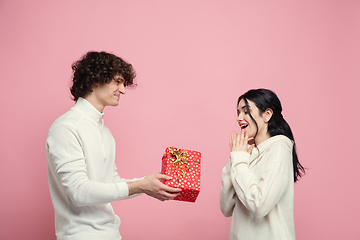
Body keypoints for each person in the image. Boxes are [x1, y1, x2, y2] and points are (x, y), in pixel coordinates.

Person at [46, 51, 181, 240]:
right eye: (117, 82)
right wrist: (141, 185)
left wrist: (150, 184)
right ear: (95, 80)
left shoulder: (105, 132)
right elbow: (78, 192)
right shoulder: (66, 127)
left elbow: (111, 183)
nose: (123, 90)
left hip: (111, 234)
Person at [219, 88, 305, 240]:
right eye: (238, 112)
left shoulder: (279, 149)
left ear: (267, 114)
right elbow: (226, 208)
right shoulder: (246, 154)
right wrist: (235, 158)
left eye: (246, 111)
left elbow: (259, 205)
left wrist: (239, 160)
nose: (239, 118)